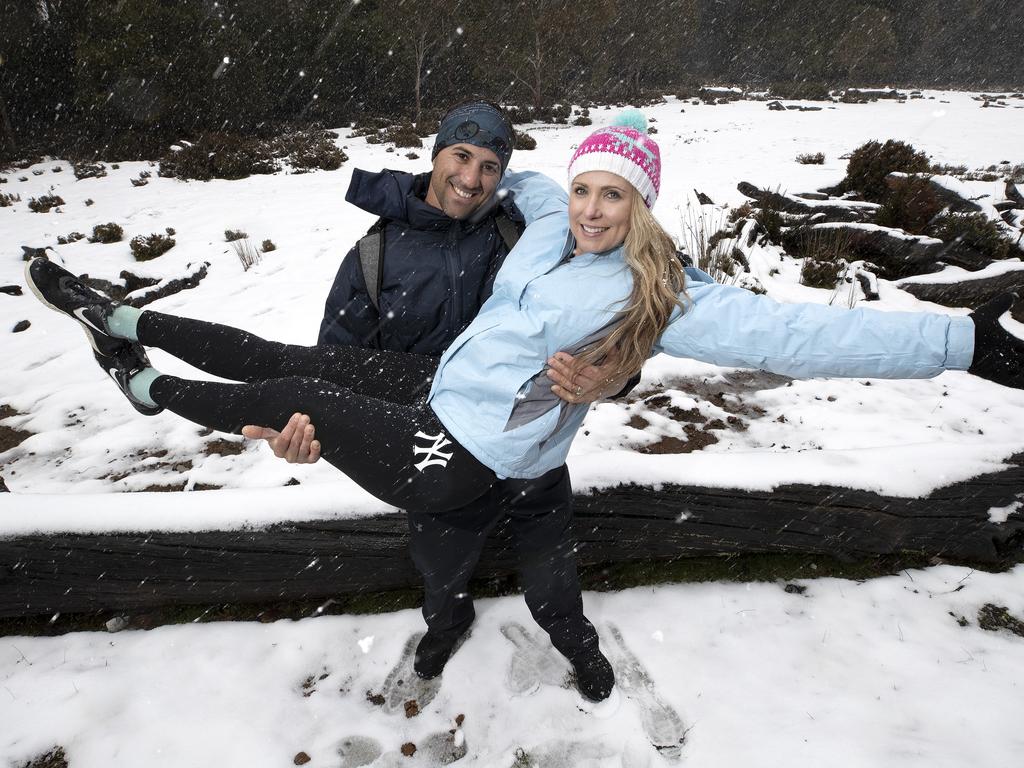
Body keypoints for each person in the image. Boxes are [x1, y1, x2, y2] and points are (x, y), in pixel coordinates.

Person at [25, 113, 1024, 703]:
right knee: (287, 365)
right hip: (434, 394)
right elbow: (527, 175)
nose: (592, 208)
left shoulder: (661, 294)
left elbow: (807, 337)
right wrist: (402, 179)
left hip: (465, 454)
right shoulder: (545, 222)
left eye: (615, 197)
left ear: (644, 209)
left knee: (535, 565)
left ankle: (144, 391)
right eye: (588, 188)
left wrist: (963, 339)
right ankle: (118, 318)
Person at [246, 101, 634, 697]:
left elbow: (612, 327)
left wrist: (611, 378)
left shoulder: (532, 244)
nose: (472, 180)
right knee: (439, 565)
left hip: (531, 447)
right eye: (461, 157)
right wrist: (300, 432)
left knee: (554, 569)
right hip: (432, 448)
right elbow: (335, 367)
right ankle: (448, 625)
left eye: (489, 166)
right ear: (435, 154)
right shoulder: (374, 258)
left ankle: (574, 639)